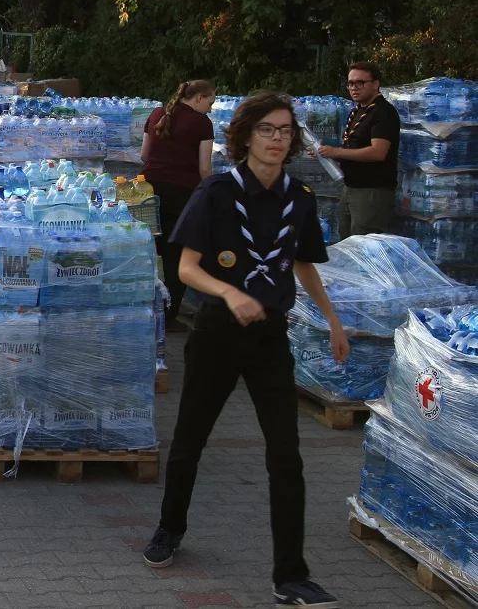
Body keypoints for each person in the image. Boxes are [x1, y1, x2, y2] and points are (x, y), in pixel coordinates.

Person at [142, 92, 349, 609]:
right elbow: (187, 268)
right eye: (267, 130)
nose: (278, 139)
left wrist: (332, 319)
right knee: (191, 438)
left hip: (269, 337)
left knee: (287, 455)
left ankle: (291, 575)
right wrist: (231, 292)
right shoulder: (215, 192)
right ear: (245, 137)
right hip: (216, 332)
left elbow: (303, 264)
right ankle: (169, 527)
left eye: (285, 131)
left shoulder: (299, 198)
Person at [140, 79, 216, 329]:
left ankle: (146, 307)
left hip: (148, 191)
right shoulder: (201, 123)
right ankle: (169, 316)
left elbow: (143, 155)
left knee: (153, 250)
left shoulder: (156, 114)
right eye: (210, 102)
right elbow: (205, 167)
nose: (211, 108)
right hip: (183, 194)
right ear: (199, 97)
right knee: (177, 254)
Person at [317, 61, 400, 238]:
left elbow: (378, 152)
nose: (354, 88)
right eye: (351, 83)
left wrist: (337, 152)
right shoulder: (358, 111)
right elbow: (352, 148)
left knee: (364, 245)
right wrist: (325, 151)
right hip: (350, 188)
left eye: (360, 83)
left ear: (376, 84)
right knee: (347, 243)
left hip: (371, 191)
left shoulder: (383, 112)